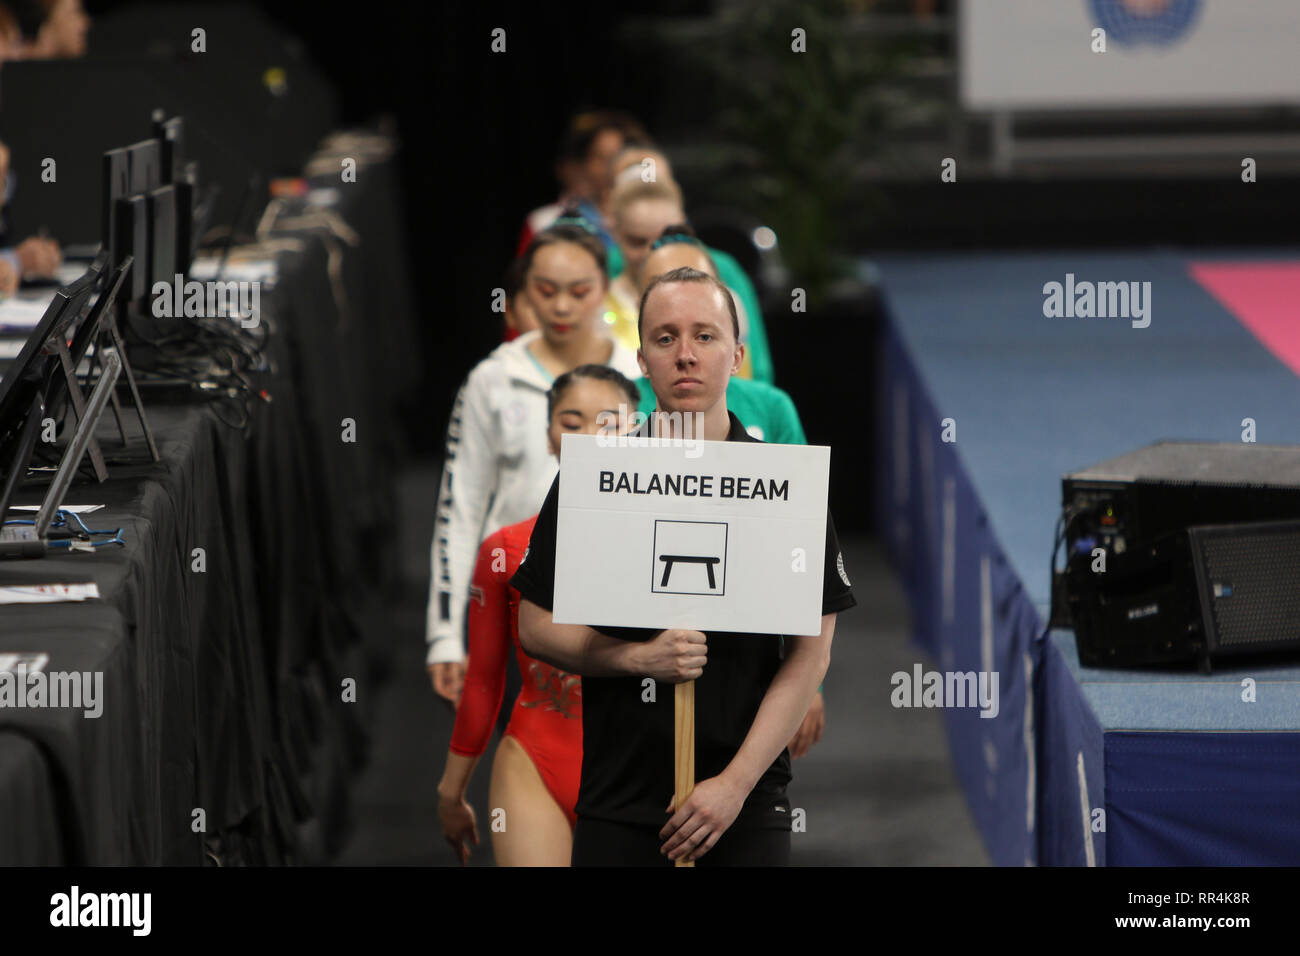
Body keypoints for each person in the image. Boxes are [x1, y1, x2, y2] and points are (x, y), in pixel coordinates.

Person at [513, 266, 855, 866]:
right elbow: (535, 626)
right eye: (666, 338)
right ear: (641, 359)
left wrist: (734, 787)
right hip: (618, 798)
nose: (686, 355)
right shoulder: (595, 480)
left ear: (737, 354)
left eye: (705, 335)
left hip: (744, 805)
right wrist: (634, 659)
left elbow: (810, 654)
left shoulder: (787, 486)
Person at [426, 220, 643, 702]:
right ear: (524, 292)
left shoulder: (640, 377)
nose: (562, 306)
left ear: (605, 290)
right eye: (545, 291)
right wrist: (445, 633)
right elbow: (459, 508)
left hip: (616, 603)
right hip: (512, 598)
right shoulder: (493, 379)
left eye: (579, 291)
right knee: (521, 749)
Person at [437, 365, 641, 866]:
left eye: (609, 422)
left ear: (638, 431)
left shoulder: (668, 548)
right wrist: (450, 790)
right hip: (534, 761)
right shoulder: (505, 551)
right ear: (549, 435)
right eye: (571, 422)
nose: (590, 436)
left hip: (640, 768)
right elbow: (484, 681)